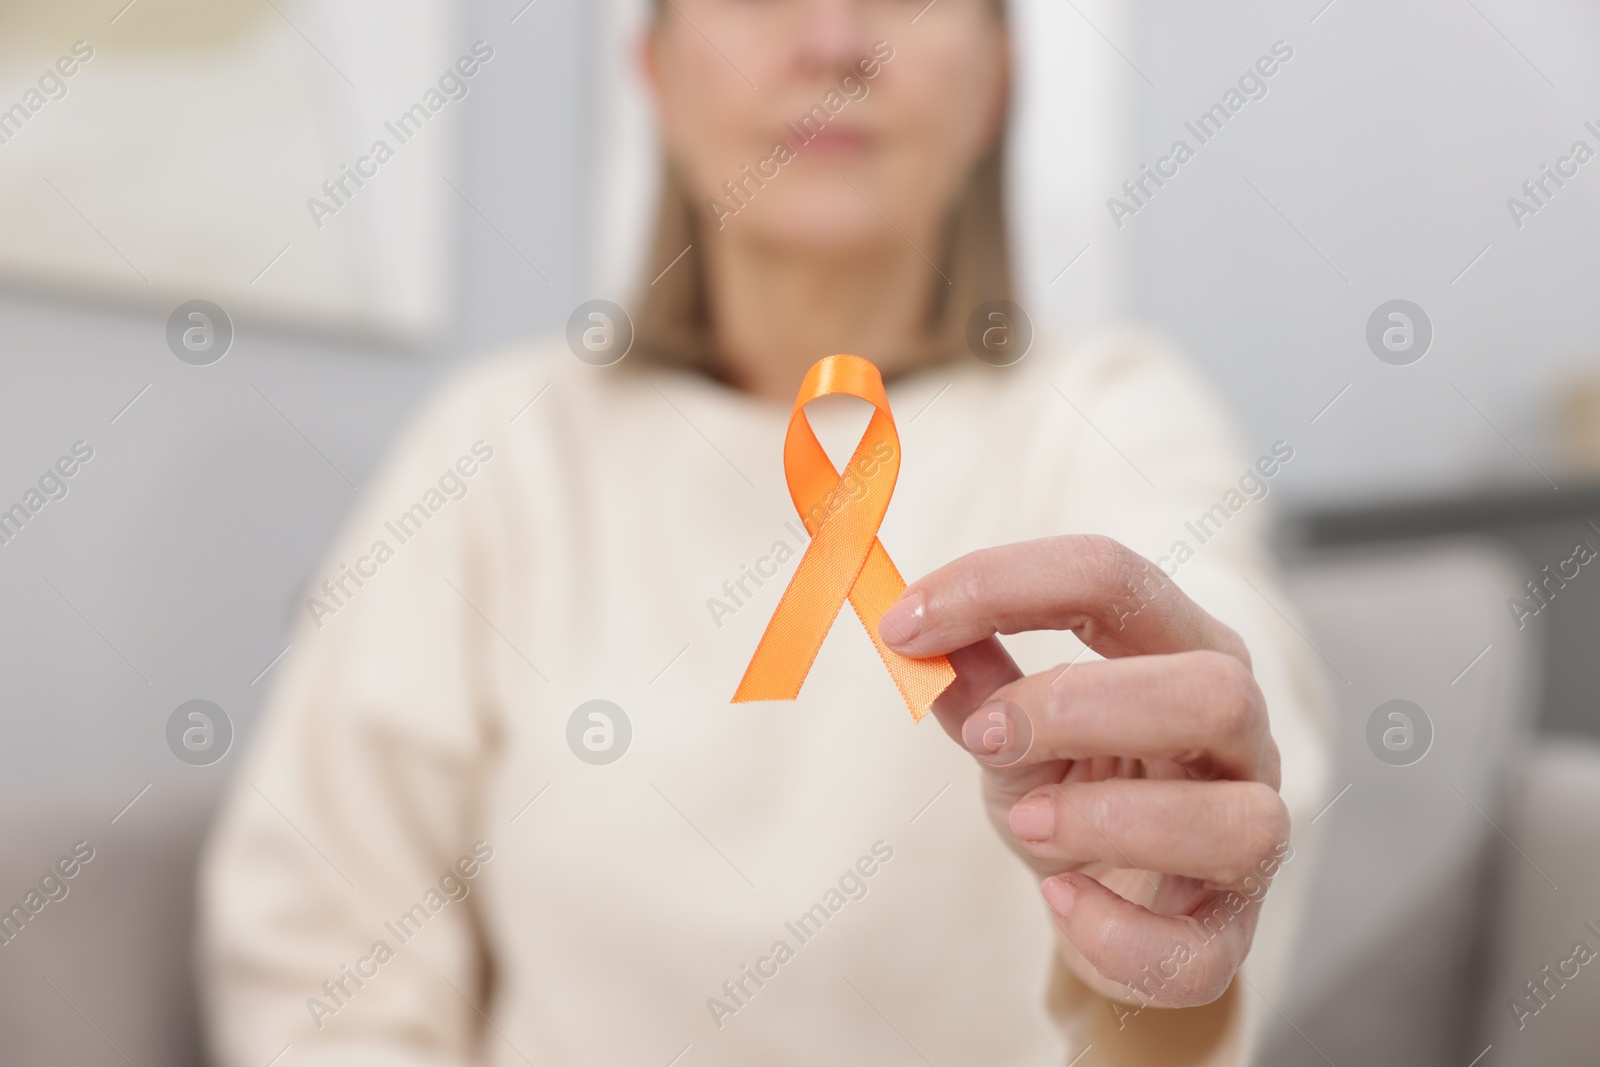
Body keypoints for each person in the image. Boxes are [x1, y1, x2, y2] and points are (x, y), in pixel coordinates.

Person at [198, 1, 1329, 1063]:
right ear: (658, 72)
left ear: (994, 82)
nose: (834, 40)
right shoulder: (499, 448)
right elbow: (323, 944)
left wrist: (1195, 833)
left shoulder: (1113, 411)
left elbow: (1231, 647)